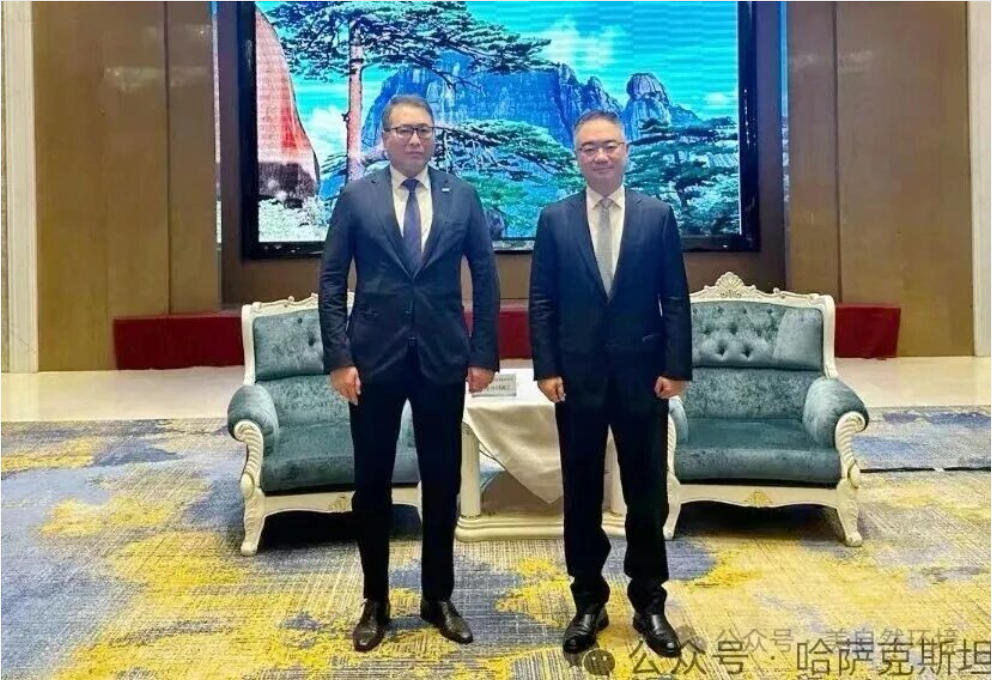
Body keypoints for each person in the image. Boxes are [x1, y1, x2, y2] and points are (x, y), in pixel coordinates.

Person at [318, 94, 499, 652]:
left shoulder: (461, 195)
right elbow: (331, 281)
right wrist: (340, 358)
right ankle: (375, 600)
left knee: (442, 482)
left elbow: (486, 278)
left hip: (442, 358)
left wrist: (483, 354)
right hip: (372, 361)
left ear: (434, 136)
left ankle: (437, 596)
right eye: (404, 130)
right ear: (385, 137)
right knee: (371, 483)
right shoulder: (357, 197)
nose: (416, 139)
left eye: (424, 129)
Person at [528, 110, 692, 658]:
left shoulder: (656, 216)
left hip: (645, 378)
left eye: (609, 146)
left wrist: (676, 366)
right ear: (576, 156)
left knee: (647, 495)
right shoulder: (554, 219)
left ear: (626, 150)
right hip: (575, 380)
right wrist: (547, 368)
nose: (600, 156)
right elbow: (542, 302)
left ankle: (649, 602)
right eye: (588, 148)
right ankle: (588, 600)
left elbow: (675, 298)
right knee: (580, 494)